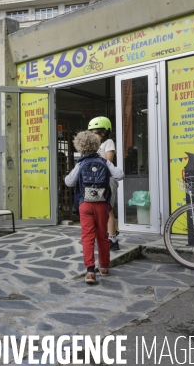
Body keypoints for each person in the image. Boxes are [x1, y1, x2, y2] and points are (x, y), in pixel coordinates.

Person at [65, 131, 123, 284]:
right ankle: (104, 267)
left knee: (87, 237)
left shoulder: (80, 163)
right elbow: (120, 175)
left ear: (79, 147)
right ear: (96, 145)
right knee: (102, 236)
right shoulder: (104, 162)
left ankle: (90, 271)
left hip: (85, 204)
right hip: (103, 203)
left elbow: (69, 182)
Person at [88, 116, 120, 250]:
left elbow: (108, 160)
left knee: (108, 210)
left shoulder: (109, 142)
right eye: (92, 133)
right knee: (98, 209)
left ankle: (113, 239)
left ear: (104, 132)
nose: (94, 135)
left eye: (96, 133)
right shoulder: (93, 145)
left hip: (108, 179)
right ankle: (105, 235)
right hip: (95, 179)